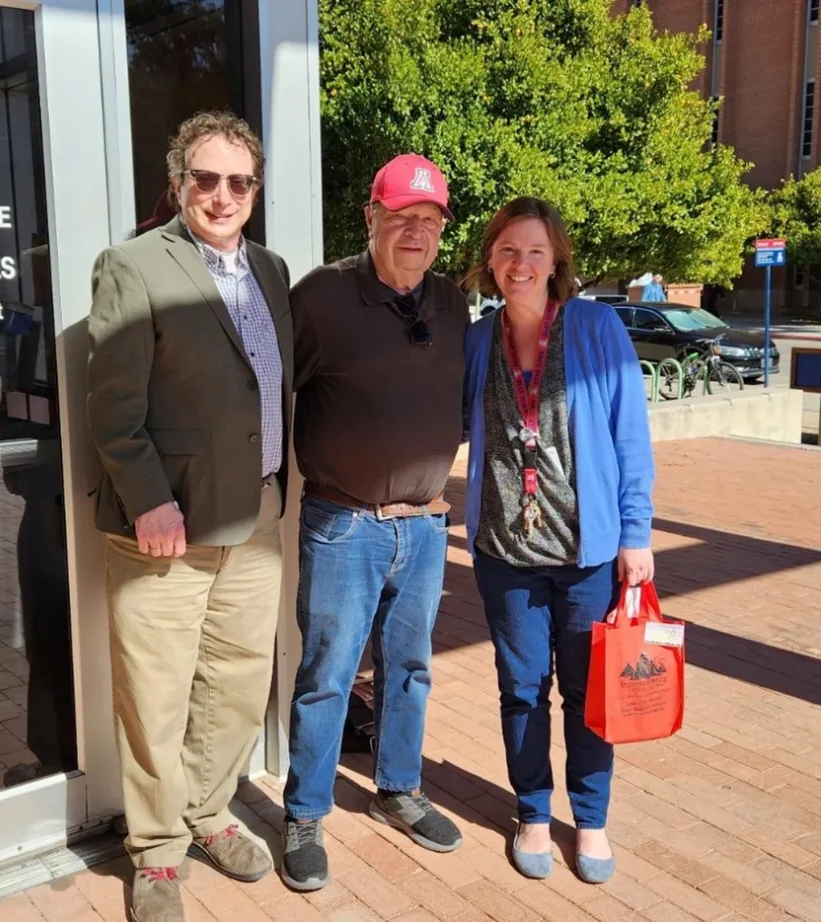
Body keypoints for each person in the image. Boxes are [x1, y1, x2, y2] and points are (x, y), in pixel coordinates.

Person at [86, 111, 292, 922]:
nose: (222, 194)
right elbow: (111, 408)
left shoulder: (271, 271)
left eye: (238, 181)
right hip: (162, 530)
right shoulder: (133, 266)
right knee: (156, 697)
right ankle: (157, 856)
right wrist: (149, 499)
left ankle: (208, 814)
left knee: (238, 688)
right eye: (204, 178)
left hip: (257, 519)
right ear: (178, 184)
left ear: (254, 191)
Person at [281, 153, 467, 892]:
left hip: (425, 527)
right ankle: (304, 812)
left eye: (429, 220)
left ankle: (398, 789)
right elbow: (263, 389)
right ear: (371, 219)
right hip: (343, 524)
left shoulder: (453, 305)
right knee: (328, 674)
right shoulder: (322, 297)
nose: (415, 232)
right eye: (401, 217)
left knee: (410, 669)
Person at [462, 197, 655, 885]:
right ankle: (533, 812)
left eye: (535, 251)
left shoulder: (596, 326)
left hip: (588, 557)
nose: (521, 264)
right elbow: (448, 421)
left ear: (557, 260)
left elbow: (631, 436)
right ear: (490, 259)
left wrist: (637, 533)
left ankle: (592, 820)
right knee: (521, 689)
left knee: (588, 694)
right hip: (504, 556)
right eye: (509, 250)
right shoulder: (478, 340)